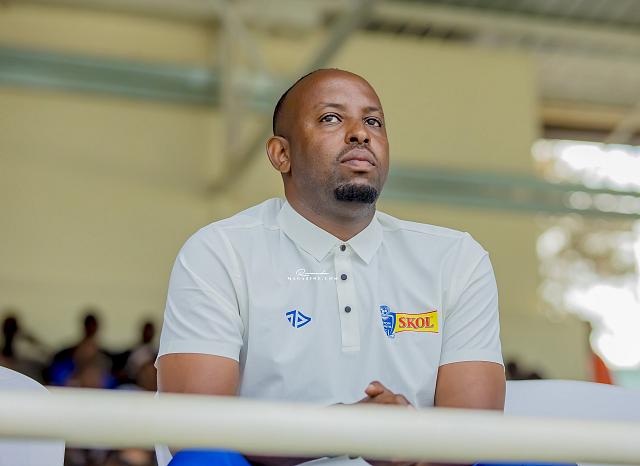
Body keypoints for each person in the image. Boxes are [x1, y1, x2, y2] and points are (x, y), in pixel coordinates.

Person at [157, 69, 505, 465]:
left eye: (373, 122)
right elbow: (196, 426)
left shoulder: (455, 257)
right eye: (331, 118)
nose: (361, 134)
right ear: (281, 154)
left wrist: (408, 452)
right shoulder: (219, 251)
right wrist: (347, 428)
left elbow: (474, 431)